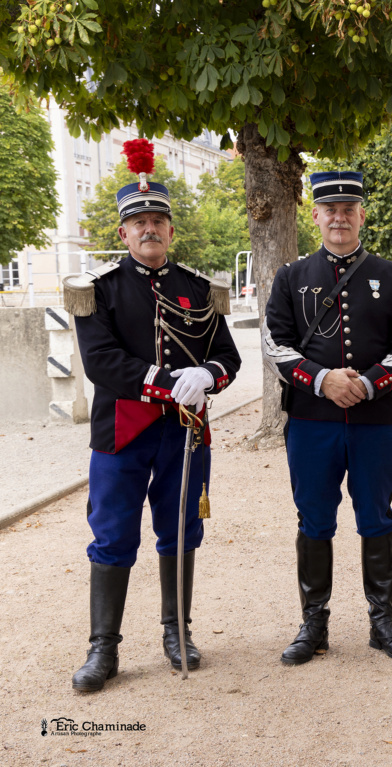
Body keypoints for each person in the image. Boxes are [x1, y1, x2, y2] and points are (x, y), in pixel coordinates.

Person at [64, 141, 240, 692]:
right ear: (123, 234)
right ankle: (103, 648)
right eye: (138, 222)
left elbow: (228, 357)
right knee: (113, 536)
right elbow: (102, 364)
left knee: (181, 531)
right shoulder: (98, 291)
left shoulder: (197, 289)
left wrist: (209, 375)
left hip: (185, 435)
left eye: (158, 220)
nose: (149, 229)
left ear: (170, 229)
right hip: (121, 434)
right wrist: (171, 383)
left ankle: (176, 631)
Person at [263, 170, 392, 664]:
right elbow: (274, 345)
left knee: (376, 517)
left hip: (374, 421)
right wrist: (322, 380)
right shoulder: (291, 277)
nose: (339, 218)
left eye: (348, 209)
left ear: (361, 216)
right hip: (311, 421)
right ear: (315, 217)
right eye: (330, 210)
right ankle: (314, 625)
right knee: (314, 519)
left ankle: (382, 622)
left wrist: (367, 384)